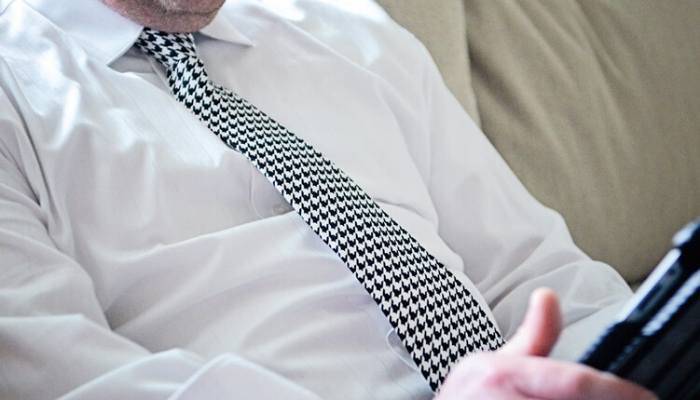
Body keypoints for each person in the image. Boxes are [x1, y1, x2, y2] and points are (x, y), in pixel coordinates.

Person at [0, 0, 656, 399]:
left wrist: (631, 365)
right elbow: (71, 383)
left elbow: (536, 273)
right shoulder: (13, 91)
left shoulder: (347, 29)